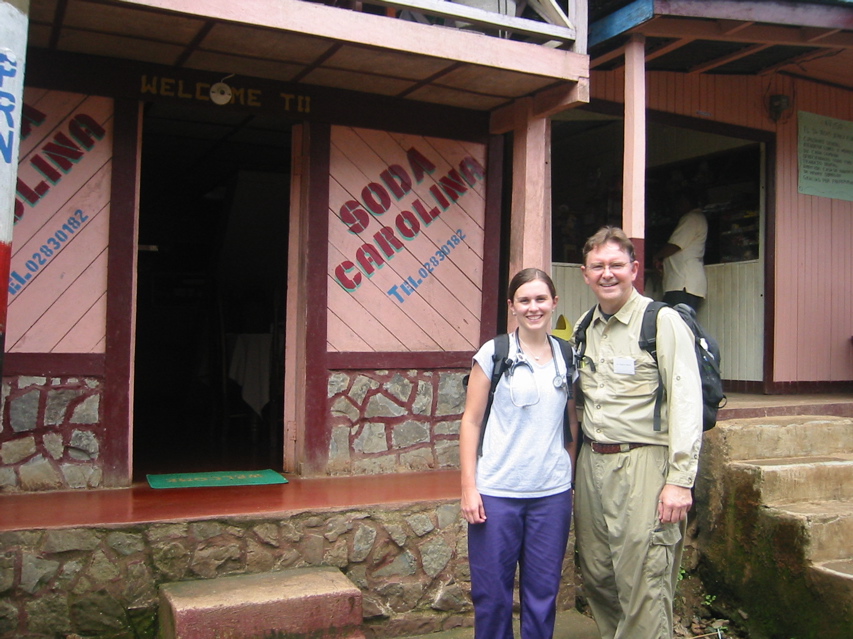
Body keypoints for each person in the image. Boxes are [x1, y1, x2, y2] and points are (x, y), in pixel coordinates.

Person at [573, 227, 703, 639]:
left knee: (644, 580)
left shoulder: (661, 321)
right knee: (598, 574)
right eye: (598, 266)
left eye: (616, 265)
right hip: (592, 463)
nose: (607, 274)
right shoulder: (583, 327)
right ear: (585, 273)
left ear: (634, 269)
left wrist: (680, 481)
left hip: (644, 462)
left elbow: (686, 401)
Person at [460, 267, 579, 639]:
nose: (533, 307)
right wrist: (469, 487)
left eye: (541, 299)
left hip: (551, 496)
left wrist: (566, 476)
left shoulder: (566, 355)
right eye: (524, 300)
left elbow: (571, 424)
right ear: (512, 306)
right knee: (492, 595)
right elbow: (471, 422)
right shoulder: (494, 353)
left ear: (554, 303)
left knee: (543, 594)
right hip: (497, 493)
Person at [653, 191, 708, 311]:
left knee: (677, 324)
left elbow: (675, 245)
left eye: (680, 202)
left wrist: (657, 256)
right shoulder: (696, 218)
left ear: (688, 202)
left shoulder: (691, 218)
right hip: (684, 284)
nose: (677, 206)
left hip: (683, 284)